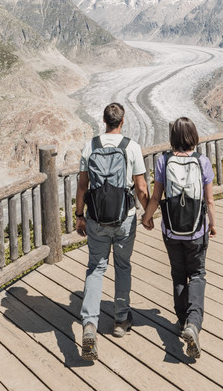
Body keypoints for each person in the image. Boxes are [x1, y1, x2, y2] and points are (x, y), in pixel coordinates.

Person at [75, 102, 149, 360]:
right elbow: (140, 187)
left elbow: (82, 186)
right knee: (123, 266)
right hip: (124, 220)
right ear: (122, 120)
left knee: (95, 269)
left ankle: (89, 326)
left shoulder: (90, 146)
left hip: (95, 220)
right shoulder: (132, 147)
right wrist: (148, 213)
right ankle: (120, 320)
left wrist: (79, 216)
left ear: (104, 120)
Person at [141, 117, 216, 360]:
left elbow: (155, 197)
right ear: (193, 136)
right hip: (197, 231)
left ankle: (182, 320)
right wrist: (212, 224)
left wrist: (147, 217)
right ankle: (194, 323)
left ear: (173, 137)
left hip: (171, 230)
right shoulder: (202, 162)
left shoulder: (163, 161)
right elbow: (210, 200)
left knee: (178, 273)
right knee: (197, 273)